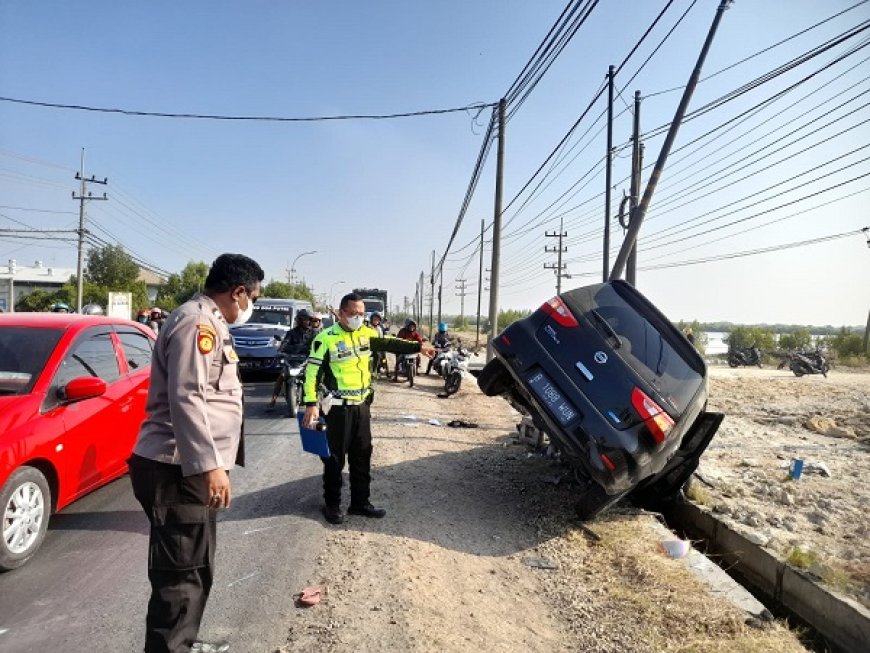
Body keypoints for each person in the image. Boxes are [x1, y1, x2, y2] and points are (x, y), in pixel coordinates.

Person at [128, 253, 264, 653]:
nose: (251, 305)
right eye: (252, 296)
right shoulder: (197, 323)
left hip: (184, 467)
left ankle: (182, 643)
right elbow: (188, 396)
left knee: (193, 568)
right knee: (180, 577)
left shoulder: (208, 320)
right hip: (178, 467)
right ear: (237, 291)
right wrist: (209, 467)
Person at [302, 292, 434, 525]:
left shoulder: (367, 334)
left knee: (362, 455)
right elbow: (312, 373)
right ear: (341, 314)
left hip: (361, 408)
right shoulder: (326, 338)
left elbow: (391, 342)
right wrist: (311, 404)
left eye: (361, 314)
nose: (358, 318)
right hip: (337, 410)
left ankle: (360, 503)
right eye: (353, 314)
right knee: (334, 459)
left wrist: (418, 346)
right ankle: (332, 504)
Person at [267, 308, 319, 410]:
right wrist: (280, 351)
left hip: (307, 360)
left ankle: (319, 398)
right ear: (299, 320)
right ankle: (273, 400)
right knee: (282, 376)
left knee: (316, 376)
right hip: (292, 360)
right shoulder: (291, 333)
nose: (307, 321)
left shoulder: (314, 333)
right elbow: (284, 343)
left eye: (309, 319)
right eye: (304, 319)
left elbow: (318, 346)